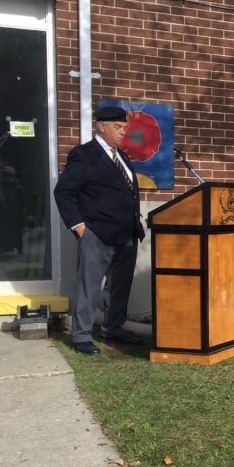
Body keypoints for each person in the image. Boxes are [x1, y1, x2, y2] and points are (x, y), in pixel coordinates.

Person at [54, 105, 145, 355]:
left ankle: (113, 329)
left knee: (119, 287)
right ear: (101, 126)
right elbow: (63, 192)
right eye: (117, 127)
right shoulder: (84, 154)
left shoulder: (122, 156)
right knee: (89, 286)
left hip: (126, 233)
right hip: (97, 233)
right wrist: (79, 227)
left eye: (124, 127)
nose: (123, 132)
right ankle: (81, 336)